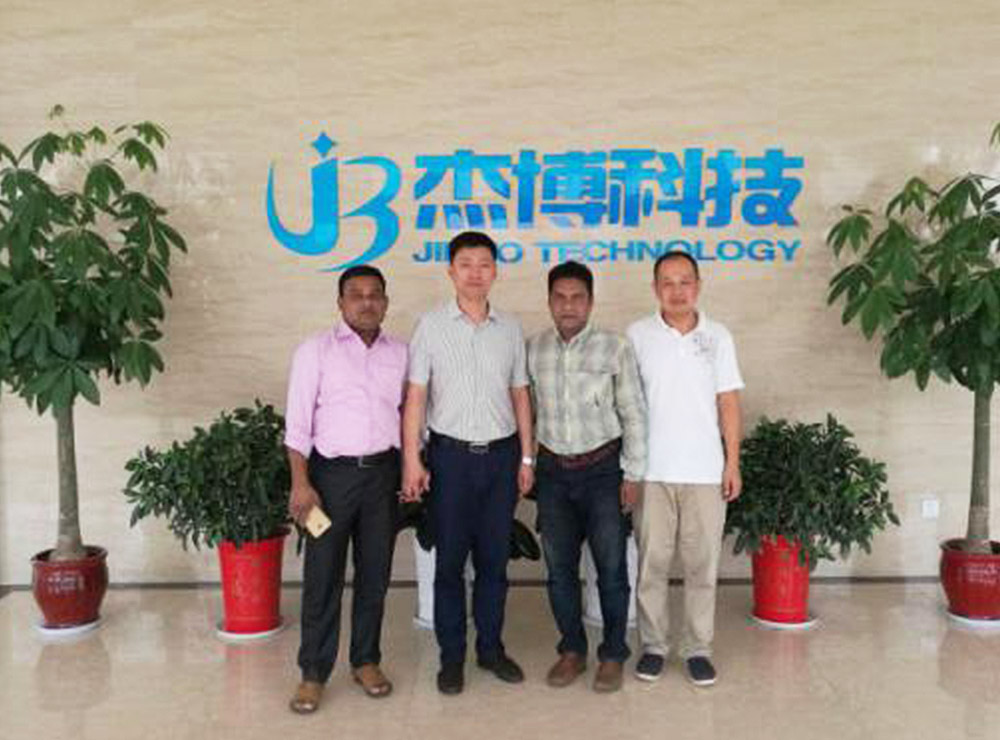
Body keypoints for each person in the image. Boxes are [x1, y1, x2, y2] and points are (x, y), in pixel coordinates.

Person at [401, 230, 534, 696]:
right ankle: (452, 657)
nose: (475, 273)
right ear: (450, 271)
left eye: (484, 264)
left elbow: (520, 394)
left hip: (500, 459)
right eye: (465, 264)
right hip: (450, 460)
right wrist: (412, 460)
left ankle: (491, 650)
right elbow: (416, 396)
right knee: (450, 564)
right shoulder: (430, 326)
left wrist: (527, 456)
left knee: (495, 562)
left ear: (495, 271)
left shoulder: (510, 329)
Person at [284, 265, 407, 714]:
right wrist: (301, 484)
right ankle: (313, 673)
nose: (366, 302)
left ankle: (366, 660)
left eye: (375, 294)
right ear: (341, 303)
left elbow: (409, 416)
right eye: (356, 294)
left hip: (383, 476)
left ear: (385, 303)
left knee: (375, 574)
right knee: (323, 577)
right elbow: (297, 426)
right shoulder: (315, 351)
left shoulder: (401, 353)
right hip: (329, 480)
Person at [527, 261, 647, 693]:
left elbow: (633, 413)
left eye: (577, 297)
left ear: (591, 302)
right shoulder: (533, 349)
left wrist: (633, 474)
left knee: (611, 569)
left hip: (603, 472)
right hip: (553, 474)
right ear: (549, 302)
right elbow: (528, 414)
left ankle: (613, 654)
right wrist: (528, 464)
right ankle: (572, 651)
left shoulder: (615, 348)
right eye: (560, 297)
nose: (568, 306)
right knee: (559, 570)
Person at [626, 251, 744, 687]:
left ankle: (698, 649)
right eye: (668, 282)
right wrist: (629, 470)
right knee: (651, 565)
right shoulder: (637, 335)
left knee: (701, 566)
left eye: (685, 281)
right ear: (655, 288)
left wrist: (732, 463)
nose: (677, 291)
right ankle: (654, 646)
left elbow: (728, 402)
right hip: (652, 471)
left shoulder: (718, 336)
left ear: (698, 285)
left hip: (705, 473)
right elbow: (627, 405)